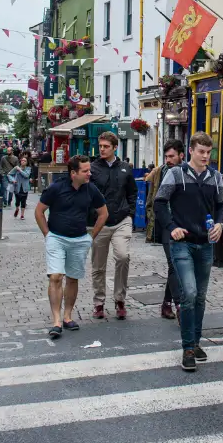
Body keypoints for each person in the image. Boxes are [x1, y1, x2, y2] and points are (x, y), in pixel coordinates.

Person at [153, 131, 223, 371]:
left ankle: (195, 341)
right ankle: (187, 349)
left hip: (205, 243)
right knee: (190, 293)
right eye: (201, 152)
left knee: (201, 296)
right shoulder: (176, 174)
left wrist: (220, 224)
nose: (206, 156)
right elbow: (160, 202)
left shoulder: (215, 177)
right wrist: (171, 227)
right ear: (191, 151)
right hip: (182, 242)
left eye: (209, 152)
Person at [35, 155, 108, 339]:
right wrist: (47, 235)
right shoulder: (56, 187)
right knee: (56, 277)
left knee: (73, 278)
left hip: (79, 240)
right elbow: (39, 211)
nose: (89, 174)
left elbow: (103, 213)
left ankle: (68, 316)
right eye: (85, 171)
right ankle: (56, 321)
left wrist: (91, 236)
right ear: (73, 173)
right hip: (57, 238)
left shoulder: (90, 189)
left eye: (89, 170)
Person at [89, 132, 137, 320]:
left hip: (121, 220)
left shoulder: (125, 168)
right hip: (100, 222)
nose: (102, 149)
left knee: (123, 257)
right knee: (98, 265)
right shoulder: (93, 168)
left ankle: (120, 299)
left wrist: (131, 214)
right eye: (100, 146)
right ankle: (99, 302)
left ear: (115, 147)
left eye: (106, 146)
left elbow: (132, 192)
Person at [146, 140, 185, 320]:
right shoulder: (160, 172)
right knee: (174, 264)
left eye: (172, 156)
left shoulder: (187, 172)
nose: (168, 160)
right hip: (165, 225)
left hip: (183, 224)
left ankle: (166, 304)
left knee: (175, 265)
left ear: (181, 156)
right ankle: (179, 305)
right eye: (166, 156)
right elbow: (152, 198)